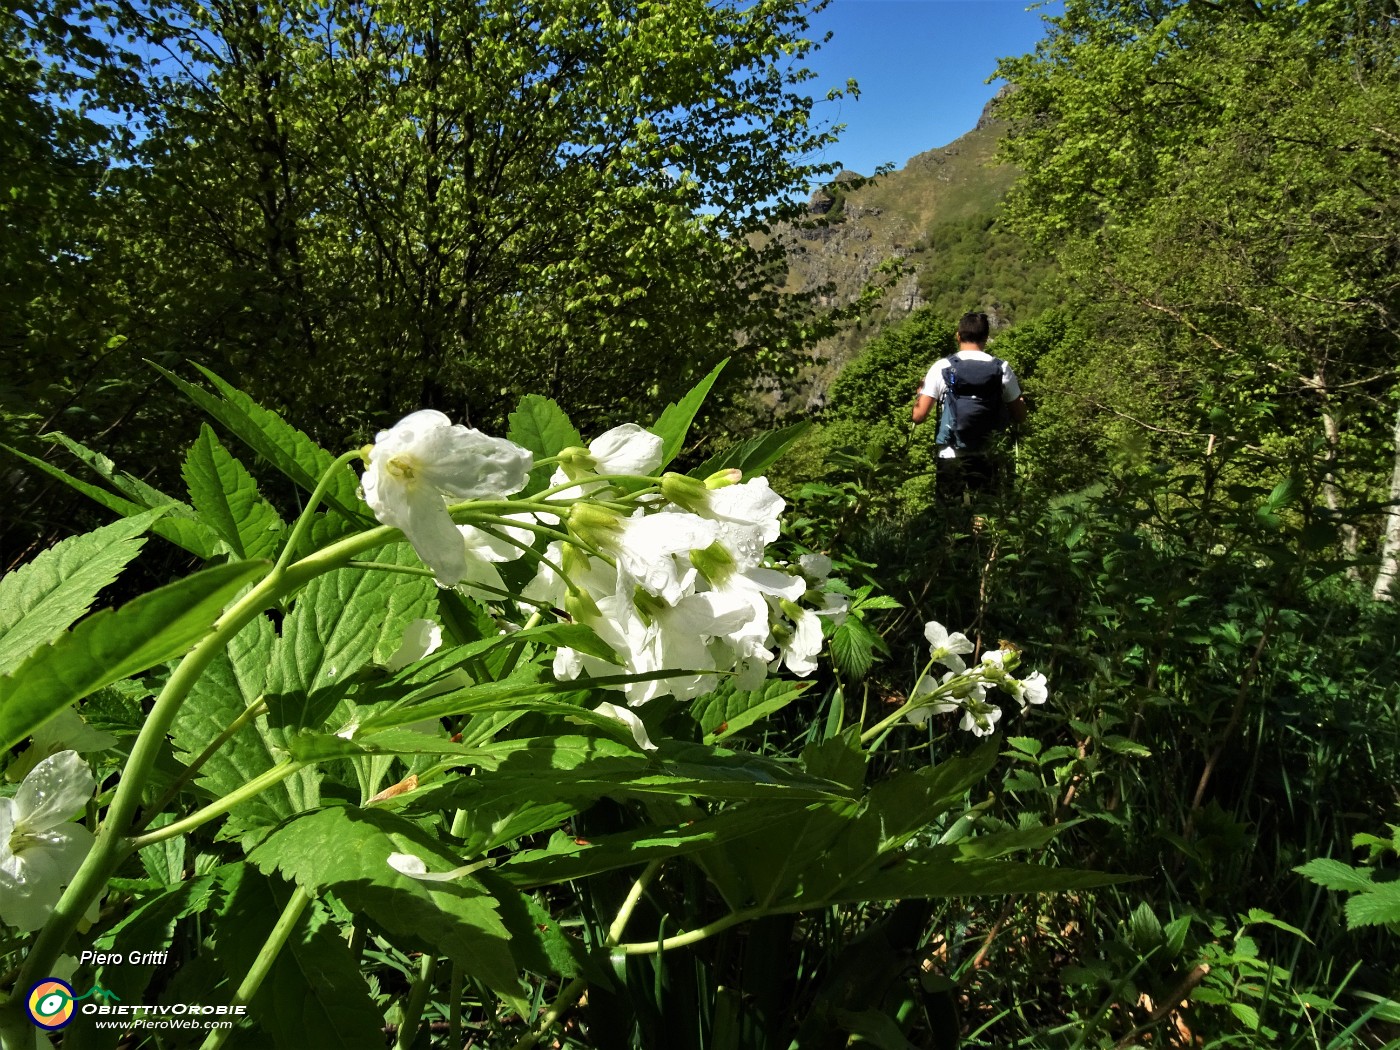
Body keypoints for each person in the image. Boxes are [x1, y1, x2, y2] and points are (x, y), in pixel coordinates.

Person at [911, 311, 1027, 505]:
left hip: (950, 454)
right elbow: (1020, 416)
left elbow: (918, 416)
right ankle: (982, 535)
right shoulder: (1002, 368)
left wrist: (920, 393)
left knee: (949, 514)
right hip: (989, 453)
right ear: (986, 338)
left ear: (958, 335)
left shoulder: (941, 367)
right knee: (987, 511)